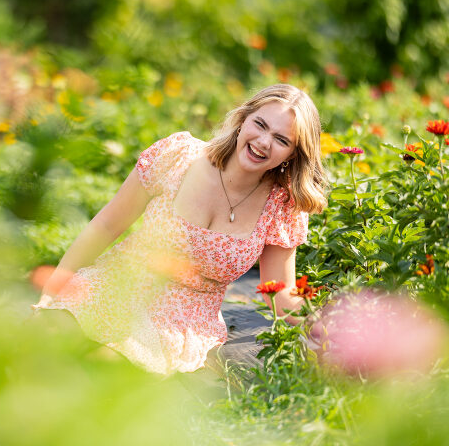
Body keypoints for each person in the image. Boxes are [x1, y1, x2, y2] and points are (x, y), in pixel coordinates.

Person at [31, 84, 328, 377]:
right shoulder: (179, 156)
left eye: (280, 139)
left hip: (181, 317)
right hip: (118, 283)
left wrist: (325, 325)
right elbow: (107, 225)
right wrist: (52, 291)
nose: (263, 141)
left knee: (109, 367)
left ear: (292, 154)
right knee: (47, 341)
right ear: (242, 121)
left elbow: (280, 293)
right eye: (260, 124)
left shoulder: (282, 206)